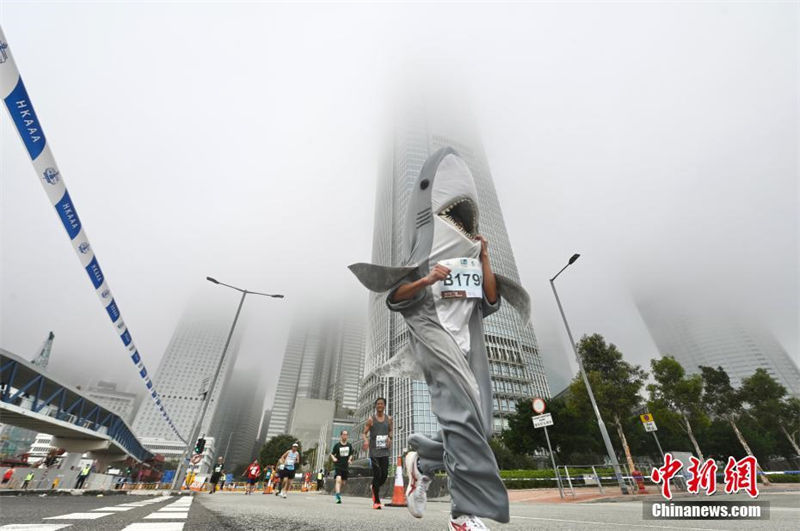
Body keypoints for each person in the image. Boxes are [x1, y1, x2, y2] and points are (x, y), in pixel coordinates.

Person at [362, 397, 393, 509]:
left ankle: (374, 487)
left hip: (384, 451)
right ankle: (377, 502)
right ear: (375, 406)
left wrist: (390, 438)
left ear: (384, 406)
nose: (380, 405)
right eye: (378, 404)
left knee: (384, 475)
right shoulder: (371, 420)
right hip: (374, 451)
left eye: (382, 404)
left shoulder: (389, 419)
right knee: (377, 474)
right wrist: (366, 441)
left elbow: (390, 430)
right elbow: (364, 433)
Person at [330, 429, 354, 504]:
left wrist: (350, 459)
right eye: (344, 434)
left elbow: (351, 454)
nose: (345, 436)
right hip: (338, 466)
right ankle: (337, 496)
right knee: (338, 479)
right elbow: (332, 454)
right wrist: (333, 458)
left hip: (345, 467)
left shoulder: (349, 445)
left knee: (343, 483)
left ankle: (338, 491)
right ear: (341, 435)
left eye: (346, 434)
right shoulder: (337, 445)